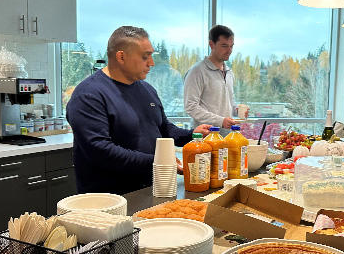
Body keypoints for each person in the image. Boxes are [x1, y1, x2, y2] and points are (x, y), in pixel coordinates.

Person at [67, 26, 211, 195]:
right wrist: (159, 161)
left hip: (150, 189)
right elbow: (100, 151)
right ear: (121, 56)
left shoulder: (147, 89)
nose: (151, 63)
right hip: (108, 198)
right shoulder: (89, 95)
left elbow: (163, 128)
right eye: (145, 57)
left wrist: (192, 134)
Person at [184, 25, 246, 131]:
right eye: (224, 46)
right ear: (211, 44)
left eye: (231, 46)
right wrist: (220, 121)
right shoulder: (197, 71)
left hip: (226, 137)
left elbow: (229, 102)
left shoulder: (229, 73)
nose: (229, 50)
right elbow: (191, 107)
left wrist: (237, 110)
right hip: (204, 138)